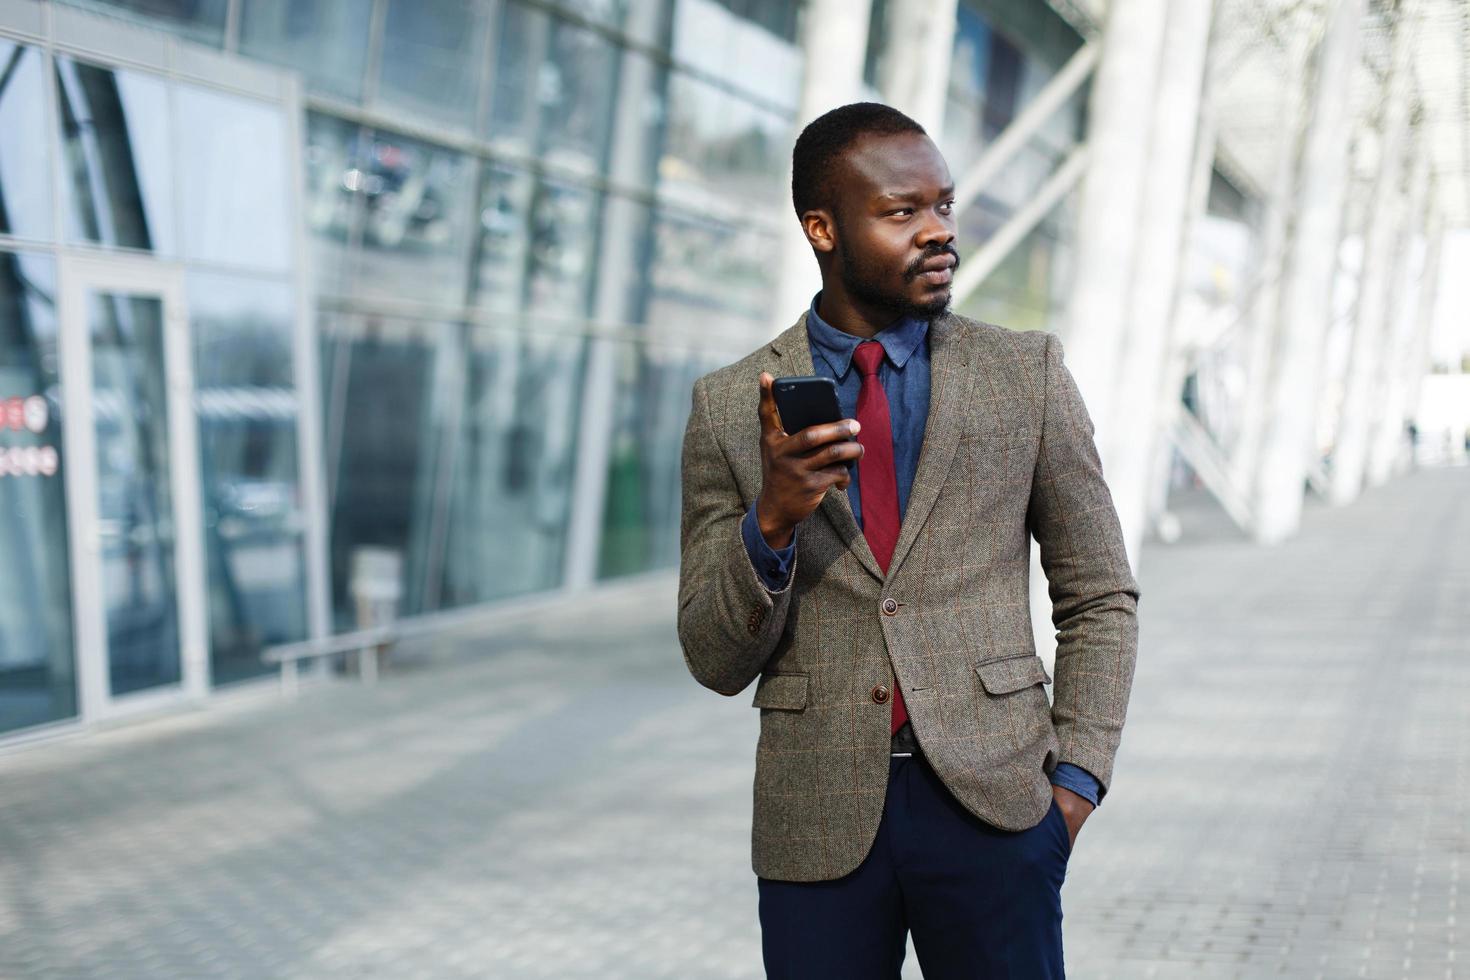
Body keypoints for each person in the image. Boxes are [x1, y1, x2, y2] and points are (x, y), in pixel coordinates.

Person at [676, 102, 1140, 979]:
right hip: (817, 817)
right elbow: (711, 655)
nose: (939, 234)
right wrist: (772, 518)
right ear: (822, 228)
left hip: (998, 806)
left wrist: (1076, 780)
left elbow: (1099, 592)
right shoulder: (733, 406)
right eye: (902, 213)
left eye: (945, 207)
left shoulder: (1025, 375)